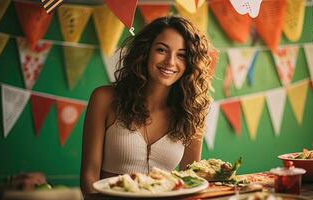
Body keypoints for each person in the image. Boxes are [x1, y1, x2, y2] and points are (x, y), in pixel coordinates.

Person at [80, 15, 213, 195]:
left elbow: (191, 182)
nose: (170, 62)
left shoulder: (193, 112)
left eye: (181, 55)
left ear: (189, 63)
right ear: (145, 51)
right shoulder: (104, 99)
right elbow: (89, 177)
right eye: (162, 50)